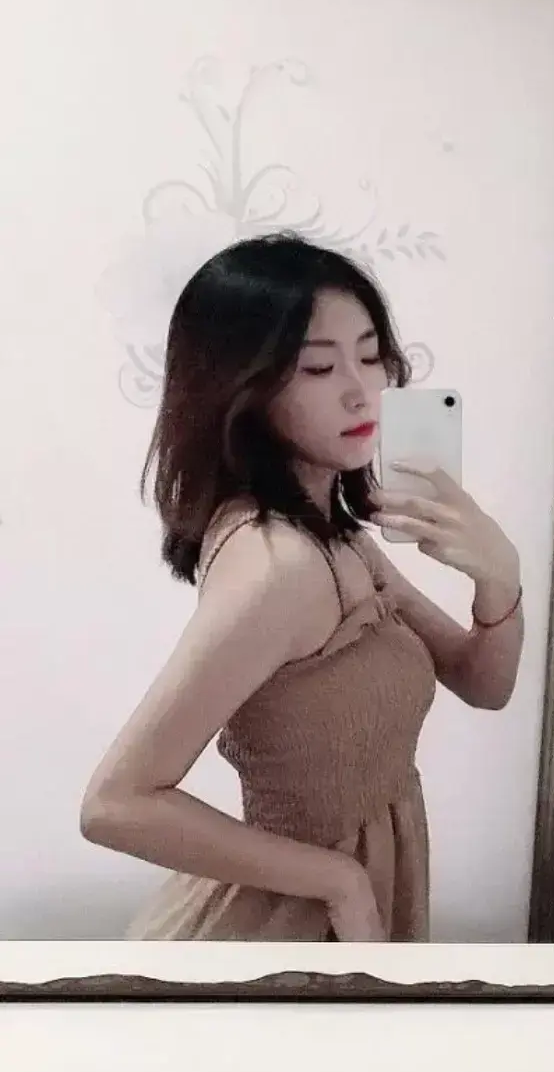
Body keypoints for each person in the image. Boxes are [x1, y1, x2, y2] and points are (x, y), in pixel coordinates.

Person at [80, 233, 524, 942]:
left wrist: (499, 579)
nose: (360, 389)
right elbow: (115, 804)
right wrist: (338, 880)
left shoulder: (335, 535)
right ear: (243, 389)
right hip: (285, 922)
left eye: (371, 356)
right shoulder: (279, 566)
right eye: (317, 367)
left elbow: (483, 682)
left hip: (347, 891)